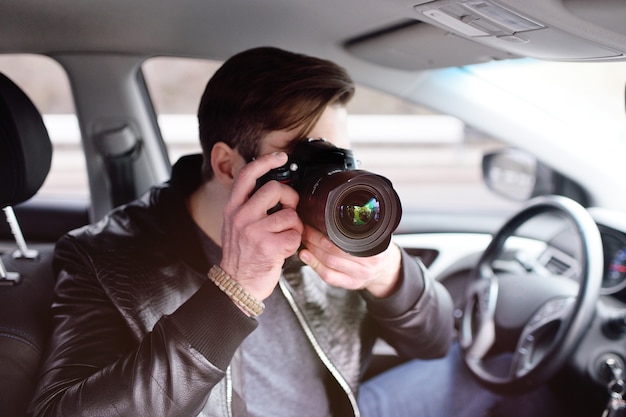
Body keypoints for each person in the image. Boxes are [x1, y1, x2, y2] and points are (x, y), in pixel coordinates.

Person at [30, 46, 457, 417]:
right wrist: (232, 291)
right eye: (305, 162)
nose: (327, 181)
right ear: (227, 165)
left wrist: (389, 275)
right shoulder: (103, 258)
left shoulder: (332, 228)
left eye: (337, 159)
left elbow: (436, 342)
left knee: (481, 369)